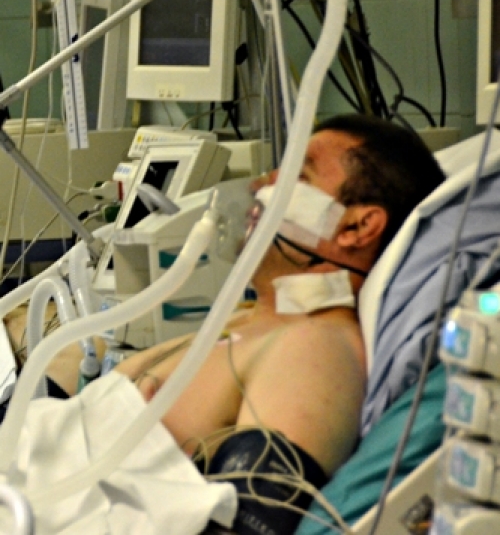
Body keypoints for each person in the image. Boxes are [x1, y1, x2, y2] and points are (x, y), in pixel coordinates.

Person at [4, 113, 445, 535]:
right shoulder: (253, 322)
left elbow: (255, 521)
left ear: (357, 226)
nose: (261, 185)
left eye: (299, 176)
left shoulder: (314, 347)